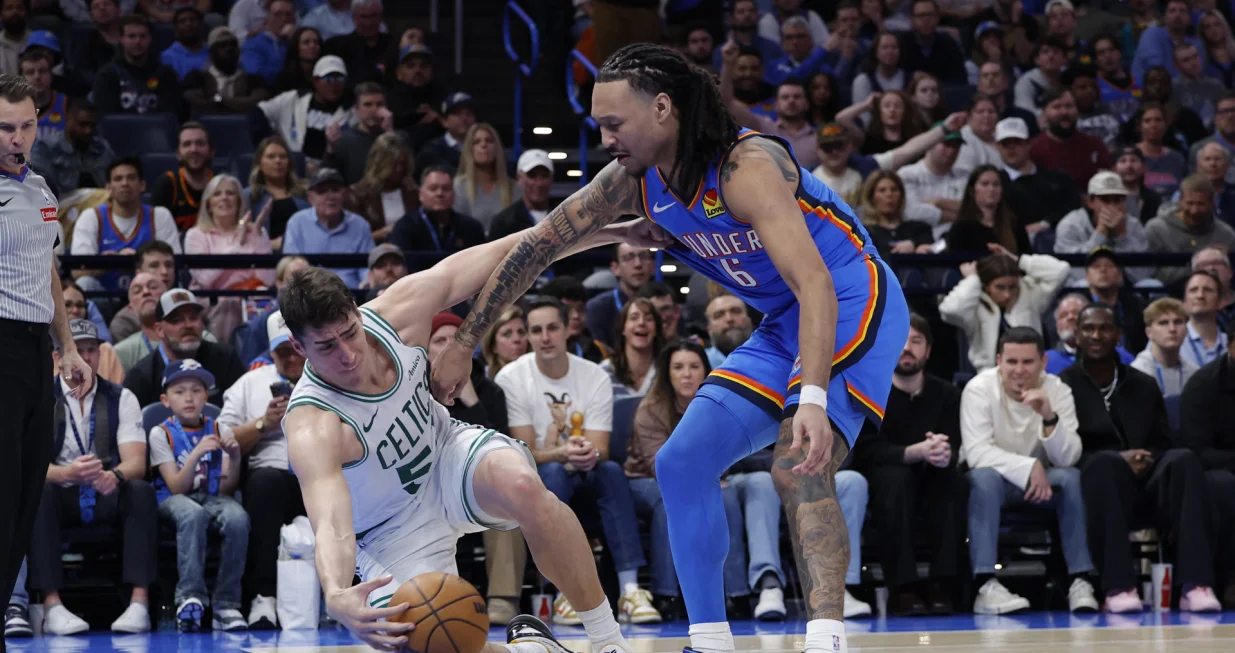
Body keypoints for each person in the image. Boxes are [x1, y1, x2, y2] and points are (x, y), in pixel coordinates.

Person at [431, 43, 913, 653]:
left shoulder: (747, 166)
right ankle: (710, 641)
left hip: (850, 298)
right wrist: (464, 341)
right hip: (784, 318)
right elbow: (538, 246)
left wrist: (812, 396)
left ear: (663, 108)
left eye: (614, 123)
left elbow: (814, 282)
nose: (604, 137)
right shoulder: (632, 183)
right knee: (680, 463)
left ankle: (826, 640)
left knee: (797, 462)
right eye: (598, 124)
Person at [277, 224, 643, 653]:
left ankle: (608, 641)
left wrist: (612, 230)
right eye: (325, 346)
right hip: (387, 531)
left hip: (447, 455)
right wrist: (337, 593)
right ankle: (532, 650)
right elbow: (332, 524)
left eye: (349, 333)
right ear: (297, 347)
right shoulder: (313, 424)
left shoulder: (400, 311)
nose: (347, 354)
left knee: (522, 485)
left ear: (358, 312)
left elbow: (515, 248)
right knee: (429, 638)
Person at [0, 73, 93, 621]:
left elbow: (48, 272)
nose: (17, 138)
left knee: (26, 492)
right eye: (5, 129)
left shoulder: (40, 188)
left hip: (37, 351)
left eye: (26, 126)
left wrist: (69, 348)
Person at [1060, 303, 1223, 613]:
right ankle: (1119, 587)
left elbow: (1164, 441)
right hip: (1095, 483)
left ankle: (1195, 584)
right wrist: (1119, 458)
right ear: (1077, 336)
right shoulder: (1063, 385)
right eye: (1089, 329)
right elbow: (1063, 451)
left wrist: (1147, 458)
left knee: (1184, 460)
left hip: (1146, 479)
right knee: (1105, 464)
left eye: (1105, 328)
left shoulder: (1143, 384)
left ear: (1118, 336)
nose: (1097, 335)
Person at [28, 318, 154, 635]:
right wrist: (65, 473)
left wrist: (115, 475)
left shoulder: (121, 398)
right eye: (77, 351)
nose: (85, 359)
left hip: (106, 489)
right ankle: (52, 604)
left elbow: (137, 461)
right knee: (37, 493)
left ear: (100, 355)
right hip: (63, 491)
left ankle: (140, 603)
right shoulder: (41, 399)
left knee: (140, 490)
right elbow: (28, 465)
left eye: (91, 351)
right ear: (58, 358)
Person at [960, 327, 1098, 614]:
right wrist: (1029, 466)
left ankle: (1079, 582)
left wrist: (1049, 417)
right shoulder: (978, 389)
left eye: (1028, 362)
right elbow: (976, 453)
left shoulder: (1058, 390)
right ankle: (985, 585)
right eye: (1011, 362)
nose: (1019, 370)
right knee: (982, 478)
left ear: (1043, 362)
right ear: (999, 361)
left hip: (1043, 484)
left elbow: (1068, 457)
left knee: (1070, 478)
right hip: (997, 484)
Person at [851, 314, 964, 615]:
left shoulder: (947, 394)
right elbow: (865, 451)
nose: (907, 348)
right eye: (901, 341)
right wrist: (914, 452)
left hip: (932, 475)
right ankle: (903, 588)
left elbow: (955, 443)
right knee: (894, 480)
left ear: (928, 350)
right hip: (887, 477)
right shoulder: (870, 393)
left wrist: (943, 453)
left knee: (950, 480)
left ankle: (943, 584)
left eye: (916, 341)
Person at [427, 312, 527, 626]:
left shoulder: (490, 391)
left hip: (469, 487)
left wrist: (469, 399)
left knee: (505, 496)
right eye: (438, 340)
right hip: (425, 489)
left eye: (454, 340)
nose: (446, 348)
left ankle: (503, 598)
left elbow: (497, 451)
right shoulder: (410, 391)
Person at [217, 310, 304, 628]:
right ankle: (263, 596)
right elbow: (222, 436)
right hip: (269, 473)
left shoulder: (327, 379)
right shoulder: (251, 382)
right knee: (266, 484)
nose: (292, 358)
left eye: (297, 349)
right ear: (271, 351)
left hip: (321, 472)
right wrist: (262, 424)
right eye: (283, 351)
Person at [150, 359, 249, 632]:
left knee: (238, 517)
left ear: (206, 396)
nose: (189, 397)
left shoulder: (220, 429)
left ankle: (226, 604)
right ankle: (189, 596)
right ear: (165, 400)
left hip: (212, 496)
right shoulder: (160, 434)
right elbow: (175, 487)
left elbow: (227, 490)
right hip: (172, 500)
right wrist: (196, 454)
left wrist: (235, 457)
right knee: (193, 514)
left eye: (196, 390)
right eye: (179, 392)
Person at [626, 342, 709, 620]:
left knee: (727, 496)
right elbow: (659, 465)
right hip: (643, 481)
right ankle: (666, 594)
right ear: (667, 374)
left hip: (697, 481)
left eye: (694, 367)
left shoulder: (716, 406)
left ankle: (734, 595)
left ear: (706, 372)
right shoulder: (651, 408)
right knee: (669, 500)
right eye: (678, 367)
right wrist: (705, 479)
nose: (687, 374)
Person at [940, 247, 1071, 371]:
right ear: (985, 286)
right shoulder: (974, 303)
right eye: (1000, 287)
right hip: (988, 376)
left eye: (1013, 287)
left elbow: (1061, 270)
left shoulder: (1030, 294)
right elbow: (950, 310)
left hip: (1031, 372)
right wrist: (972, 279)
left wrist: (1019, 260)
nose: (1007, 294)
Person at [184, 174, 276, 346]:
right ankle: (227, 360)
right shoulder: (196, 235)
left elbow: (267, 279)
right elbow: (205, 280)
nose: (224, 198)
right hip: (212, 301)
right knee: (227, 301)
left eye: (230, 193)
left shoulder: (256, 232)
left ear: (240, 201)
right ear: (208, 203)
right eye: (217, 194)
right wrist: (237, 246)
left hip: (251, 297)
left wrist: (256, 237)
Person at [124, 289, 245, 407]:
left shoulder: (226, 359)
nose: (188, 325)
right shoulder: (141, 377)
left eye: (193, 318)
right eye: (177, 320)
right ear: (159, 330)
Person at [282, 168, 374, 289]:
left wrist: (367, 282)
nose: (330, 196)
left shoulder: (360, 225)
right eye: (322, 191)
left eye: (335, 190)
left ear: (344, 194)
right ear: (310, 198)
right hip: (310, 293)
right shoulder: (297, 223)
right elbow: (291, 264)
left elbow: (366, 266)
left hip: (351, 293)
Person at [1054, 171, 1149, 282]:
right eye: (1105, 199)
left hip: (1123, 288)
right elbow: (1075, 274)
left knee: (1151, 284)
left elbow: (1141, 275)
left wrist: (1121, 237)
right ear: (1090, 202)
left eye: (1117, 199)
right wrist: (1101, 233)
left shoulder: (1133, 225)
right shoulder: (1070, 225)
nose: (1112, 206)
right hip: (1082, 291)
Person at [244, 135, 310, 249]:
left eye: (283, 156)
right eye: (271, 157)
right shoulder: (249, 196)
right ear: (260, 163)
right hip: (265, 258)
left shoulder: (305, 192)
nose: (278, 161)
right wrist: (270, 244)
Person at [1045, 293, 1134, 374]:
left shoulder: (1120, 355)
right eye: (1063, 315)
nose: (1070, 317)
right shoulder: (1045, 360)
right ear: (1056, 324)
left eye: (1076, 313)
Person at [1131, 297, 1199, 403]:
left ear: (1186, 330)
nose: (1172, 329)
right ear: (1149, 332)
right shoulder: (1137, 373)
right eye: (1163, 323)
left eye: (1178, 322)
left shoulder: (1194, 374)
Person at [151, 122, 215, 232]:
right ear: (178, 154)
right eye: (187, 144)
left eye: (200, 143)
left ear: (211, 151)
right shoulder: (166, 185)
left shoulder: (220, 185)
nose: (194, 149)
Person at [599, 297, 664, 397]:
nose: (641, 323)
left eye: (648, 319)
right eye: (634, 318)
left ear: (656, 330)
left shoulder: (667, 372)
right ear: (623, 329)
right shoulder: (604, 373)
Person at [489, 149, 555, 241]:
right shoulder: (503, 223)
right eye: (532, 175)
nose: (539, 183)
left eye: (544, 175)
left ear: (552, 178)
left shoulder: (565, 219)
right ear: (519, 178)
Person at [1181, 270, 1229, 369]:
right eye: (1193, 290)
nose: (1200, 296)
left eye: (1208, 290)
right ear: (1184, 302)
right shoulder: (1168, 340)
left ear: (1220, 301)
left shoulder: (1229, 344)